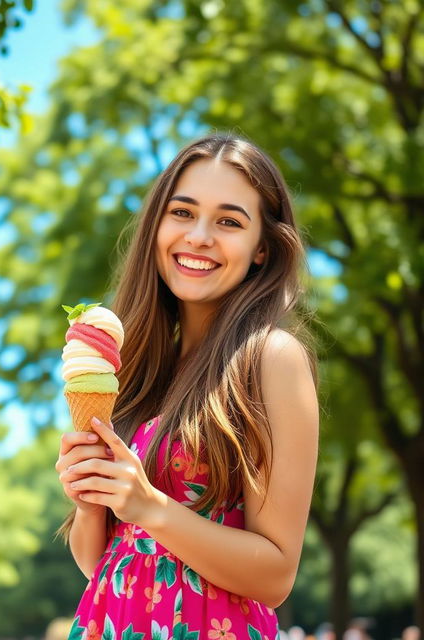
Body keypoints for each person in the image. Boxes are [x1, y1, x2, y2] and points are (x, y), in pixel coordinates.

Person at [54, 132, 320, 638]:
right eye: (182, 212)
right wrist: (91, 500)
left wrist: (149, 505)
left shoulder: (271, 358)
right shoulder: (135, 368)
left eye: (228, 221)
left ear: (262, 248)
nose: (199, 236)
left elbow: (276, 574)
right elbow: (105, 565)